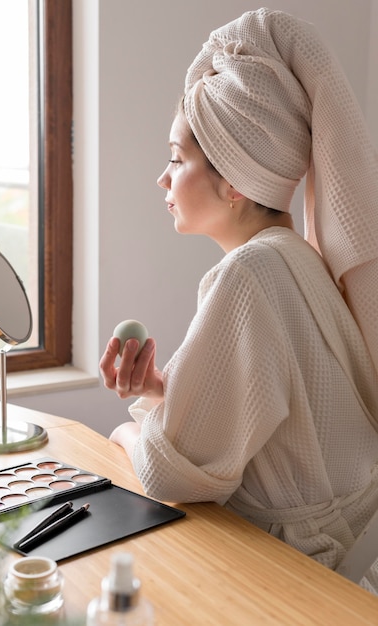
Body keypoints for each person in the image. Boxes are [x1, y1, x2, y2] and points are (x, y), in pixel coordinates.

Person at [99, 8, 378, 591]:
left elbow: (174, 476)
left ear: (233, 179)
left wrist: (124, 435)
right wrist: (160, 388)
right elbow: (277, 420)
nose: (163, 179)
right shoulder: (297, 258)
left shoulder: (248, 276)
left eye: (176, 159)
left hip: (305, 578)